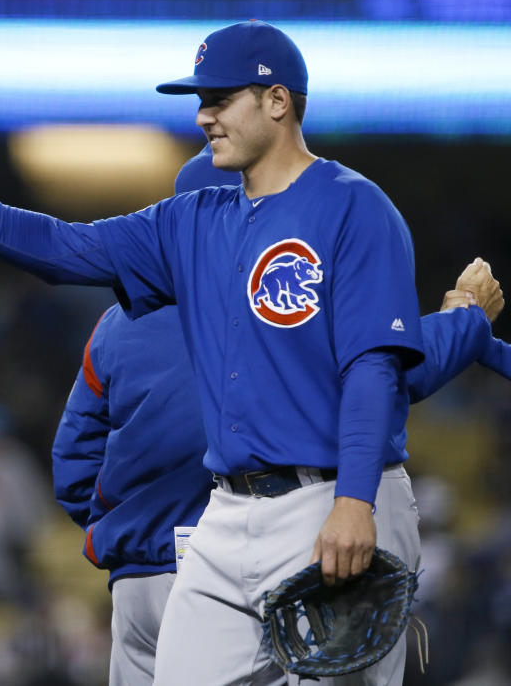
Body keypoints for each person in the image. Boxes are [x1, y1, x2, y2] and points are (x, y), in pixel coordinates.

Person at [0, 20, 477, 684]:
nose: (203, 115)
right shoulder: (192, 220)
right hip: (228, 511)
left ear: (277, 101)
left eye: (220, 98)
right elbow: (64, 246)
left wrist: (355, 502)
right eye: (200, 100)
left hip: (333, 497)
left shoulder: (355, 208)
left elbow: (373, 368)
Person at [51, 146, 504, 686]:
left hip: (142, 584)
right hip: (265, 561)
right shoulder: (280, 302)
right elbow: (389, 372)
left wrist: (138, 529)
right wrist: (465, 322)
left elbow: (73, 469)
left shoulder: (116, 325)